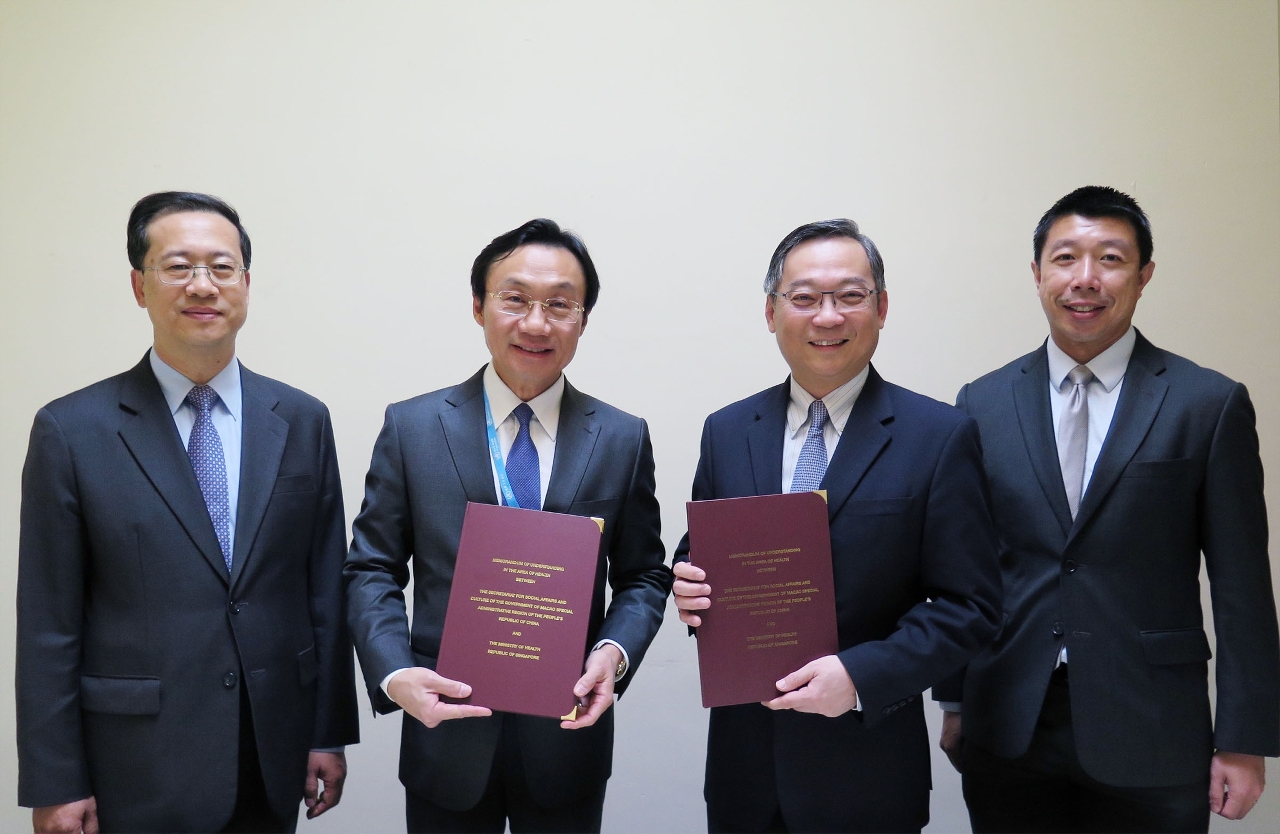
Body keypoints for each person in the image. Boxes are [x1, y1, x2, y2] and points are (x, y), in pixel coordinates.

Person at [936, 185, 1280, 833]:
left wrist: (1243, 737)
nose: (1085, 279)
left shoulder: (1206, 404)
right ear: (1037, 273)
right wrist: (955, 697)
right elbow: (966, 566)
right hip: (1010, 722)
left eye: (1111, 259)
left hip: (1152, 727)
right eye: (1065, 258)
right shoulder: (979, 404)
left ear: (1145, 275)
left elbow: (1242, 588)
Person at [16, 192, 360, 833]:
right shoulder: (71, 430)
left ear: (247, 285)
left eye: (221, 267)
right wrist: (55, 780)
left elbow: (322, 590)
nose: (202, 285)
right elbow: (47, 625)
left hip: (270, 750)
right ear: (139, 286)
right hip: (136, 763)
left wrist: (328, 732)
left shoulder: (302, 421)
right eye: (178, 266)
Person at [672, 218, 1002, 833]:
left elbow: (970, 605)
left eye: (850, 296)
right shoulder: (726, 431)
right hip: (746, 772)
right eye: (804, 298)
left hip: (867, 769)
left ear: (881, 308)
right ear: (771, 312)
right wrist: (687, 583)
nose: (827, 316)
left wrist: (860, 676)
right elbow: (705, 548)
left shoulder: (939, 436)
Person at [343, 218, 672, 833]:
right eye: (515, 299)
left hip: (567, 740)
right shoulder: (412, 428)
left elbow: (645, 576)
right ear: (479, 307)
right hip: (445, 733)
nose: (537, 323)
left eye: (560, 305)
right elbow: (370, 568)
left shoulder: (622, 438)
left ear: (583, 318)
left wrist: (615, 652)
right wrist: (393, 673)